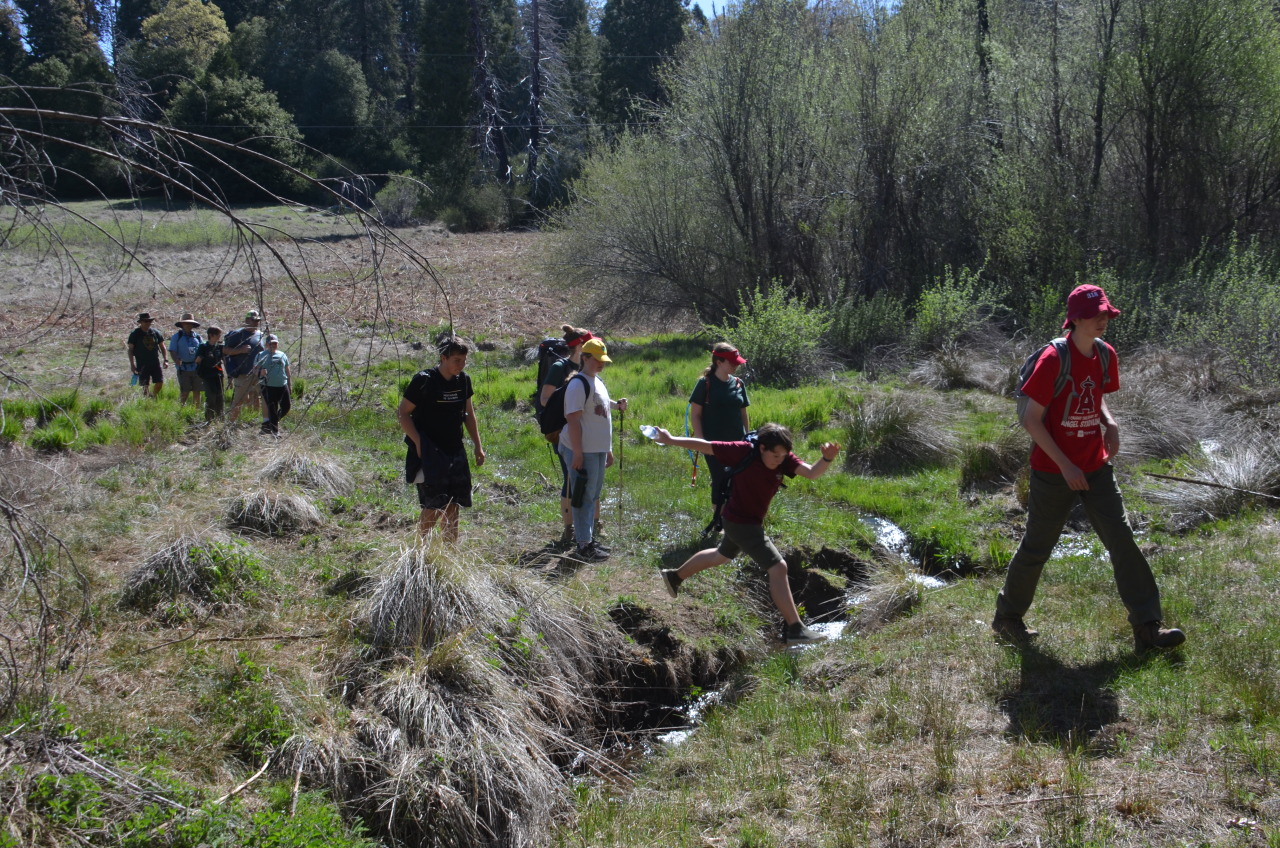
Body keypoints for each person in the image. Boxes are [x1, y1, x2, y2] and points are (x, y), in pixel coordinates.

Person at [992, 284, 1186, 653]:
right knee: (1037, 547)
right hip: (1053, 471)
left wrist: (1109, 423)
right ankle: (1007, 619)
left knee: (1123, 541)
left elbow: (1095, 398)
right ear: (1076, 318)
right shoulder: (1053, 359)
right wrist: (1064, 465)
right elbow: (1031, 420)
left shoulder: (1105, 354)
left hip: (1095, 467)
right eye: (1096, 315)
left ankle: (1147, 628)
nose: (1103, 320)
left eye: (1106, 314)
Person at [653, 423, 839, 644]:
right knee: (778, 567)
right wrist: (671, 439)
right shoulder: (742, 450)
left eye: (783, 456)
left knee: (719, 556)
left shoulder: (785, 459)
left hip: (744, 521)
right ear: (762, 448)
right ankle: (795, 628)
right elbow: (706, 446)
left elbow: (811, 473)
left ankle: (674, 576)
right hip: (741, 522)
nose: (779, 460)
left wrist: (826, 459)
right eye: (775, 455)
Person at [397, 337, 486, 542]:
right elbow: (403, 413)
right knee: (434, 504)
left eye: (464, 360)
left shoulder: (463, 380)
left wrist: (477, 446)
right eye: (456, 360)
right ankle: (420, 550)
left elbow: (468, 415)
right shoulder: (424, 380)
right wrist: (419, 443)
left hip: (455, 448)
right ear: (443, 358)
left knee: (454, 503)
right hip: (429, 450)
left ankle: (449, 552)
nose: (460, 365)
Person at [558, 337, 627, 562]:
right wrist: (577, 452)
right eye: (596, 359)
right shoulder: (578, 384)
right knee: (583, 496)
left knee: (592, 495)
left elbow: (600, 407)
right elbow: (573, 419)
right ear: (584, 358)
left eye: (603, 359)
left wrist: (607, 448)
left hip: (596, 450)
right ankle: (583, 545)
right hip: (581, 450)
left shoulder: (596, 381)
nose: (601, 363)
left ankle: (587, 539)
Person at [689, 342, 750, 535]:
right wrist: (700, 441)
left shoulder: (739, 383)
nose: (736, 365)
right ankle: (719, 521)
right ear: (719, 361)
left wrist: (747, 437)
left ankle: (733, 519)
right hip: (713, 444)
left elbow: (743, 414)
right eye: (732, 362)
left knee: (736, 479)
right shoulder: (705, 384)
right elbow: (695, 414)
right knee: (720, 478)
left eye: (737, 362)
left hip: (738, 442)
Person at [539, 324, 593, 541]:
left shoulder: (588, 367)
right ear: (579, 346)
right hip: (564, 430)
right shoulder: (559, 368)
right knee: (571, 478)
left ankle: (590, 524)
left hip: (587, 429)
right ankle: (568, 529)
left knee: (589, 477)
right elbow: (545, 400)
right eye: (589, 343)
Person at [224, 310, 265, 423]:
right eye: (254, 320)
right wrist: (240, 350)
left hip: (258, 373)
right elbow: (225, 350)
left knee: (258, 398)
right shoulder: (236, 335)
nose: (256, 323)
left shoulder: (260, 334)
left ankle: (254, 421)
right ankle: (230, 424)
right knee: (239, 400)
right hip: (243, 374)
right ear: (247, 320)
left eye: (258, 321)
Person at [253, 334, 291, 435]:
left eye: (275, 343)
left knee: (286, 407)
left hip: (283, 385)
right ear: (266, 344)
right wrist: (260, 372)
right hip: (268, 386)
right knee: (272, 408)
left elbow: (287, 370)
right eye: (271, 343)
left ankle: (269, 425)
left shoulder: (282, 355)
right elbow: (254, 370)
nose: (273, 345)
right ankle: (275, 432)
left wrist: (289, 385)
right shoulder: (260, 355)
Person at [126, 312, 169, 398]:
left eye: (149, 321)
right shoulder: (135, 334)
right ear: (141, 322)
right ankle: (146, 399)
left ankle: (153, 396)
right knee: (145, 384)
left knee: (160, 382)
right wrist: (132, 364)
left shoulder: (155, 333)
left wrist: (166, 359)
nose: (148, 323)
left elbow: (163, 347)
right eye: (145, 321)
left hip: (155, 362)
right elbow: (130, 350)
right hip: (142, 362)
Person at [169, 313, 204, 407]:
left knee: (197, 391)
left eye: (190, 323)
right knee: (185, 391)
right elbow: (172, 350)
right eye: (186, 323)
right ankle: (182, 408)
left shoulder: (197, 337)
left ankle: (196, 410)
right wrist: (176, 360)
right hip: (183, 368)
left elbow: (202, 349)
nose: (188, 325)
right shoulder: (177, 337)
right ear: (182, 325)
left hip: (196, 368)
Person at [195, 326, 225, 423]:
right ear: (211, 335)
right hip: (207, 376)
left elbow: (223, 359)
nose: (219, 337)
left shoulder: (219, 347)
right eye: (218, 335)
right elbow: (197, 360)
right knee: (211, 397)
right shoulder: (203, 347)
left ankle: (220, 418)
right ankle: (209, 419)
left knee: (220, 397)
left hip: (218, 375)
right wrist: (202, 357)